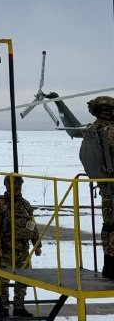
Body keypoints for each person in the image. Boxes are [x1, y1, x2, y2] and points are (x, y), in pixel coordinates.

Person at [0, 175, 42, 318]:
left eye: (19, 184)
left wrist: (37, 244)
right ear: (6, 185)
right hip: (6, 249)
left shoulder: (25, 205)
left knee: (23, 279)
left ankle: (19, 306)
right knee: (4, 280)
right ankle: (4, 307)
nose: (16, 187)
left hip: (23, 249)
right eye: (13, 184)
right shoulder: (0, 204)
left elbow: (32, 225)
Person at [85, 95, 114, 279]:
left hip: (104, 186)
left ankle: (109, 265)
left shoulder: (92, 129)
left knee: (108, 225)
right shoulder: (110, 131)